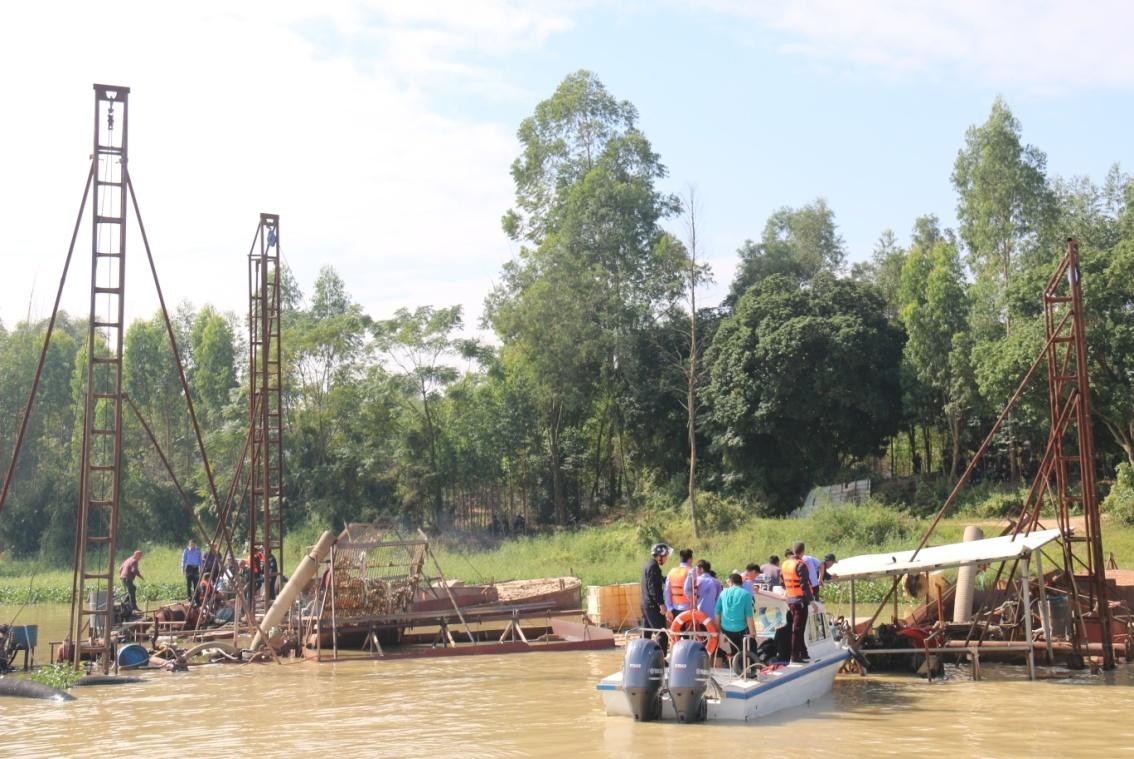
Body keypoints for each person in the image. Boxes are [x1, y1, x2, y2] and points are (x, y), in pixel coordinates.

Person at [714, 573, 757, 664]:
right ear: (741, 583)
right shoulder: (746, 594)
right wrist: (753, 632)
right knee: (751, 645)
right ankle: (750, 667)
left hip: (726, 629)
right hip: (741, 629)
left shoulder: (723, 593)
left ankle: (736, 665)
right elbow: (749, 616)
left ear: (731, 582)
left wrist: (718, 631)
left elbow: (717, 612)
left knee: (734, 648)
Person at [782, 542, 813, 663]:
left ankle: (803, 652)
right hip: (800, 601)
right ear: (803, 552)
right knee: (798, 629)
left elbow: (782, 581)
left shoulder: (785, 564)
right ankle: (795, 656)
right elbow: (804, 584)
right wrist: (812, 601)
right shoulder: (801, 565)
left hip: (790, 600)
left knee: (798, 628)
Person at [641, 543, 671, 655]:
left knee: (646, 635)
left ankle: (642, 657)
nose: (666, 558)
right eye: (666, 556)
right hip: (653, 606)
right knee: (662, 635)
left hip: (645, 605)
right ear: (659, 555)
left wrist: (667, 579)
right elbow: (653, 588)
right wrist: (661, 604)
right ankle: (661, 660)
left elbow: (655, 580)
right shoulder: (654, 567)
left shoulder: (648, 564)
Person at [664, 549, 694, 615]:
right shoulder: (691, 571)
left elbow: (667, 591)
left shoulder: (671, 571)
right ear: (690, 559)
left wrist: (669, 608)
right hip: (688, 608)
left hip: (674, 609)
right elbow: (689, 590)